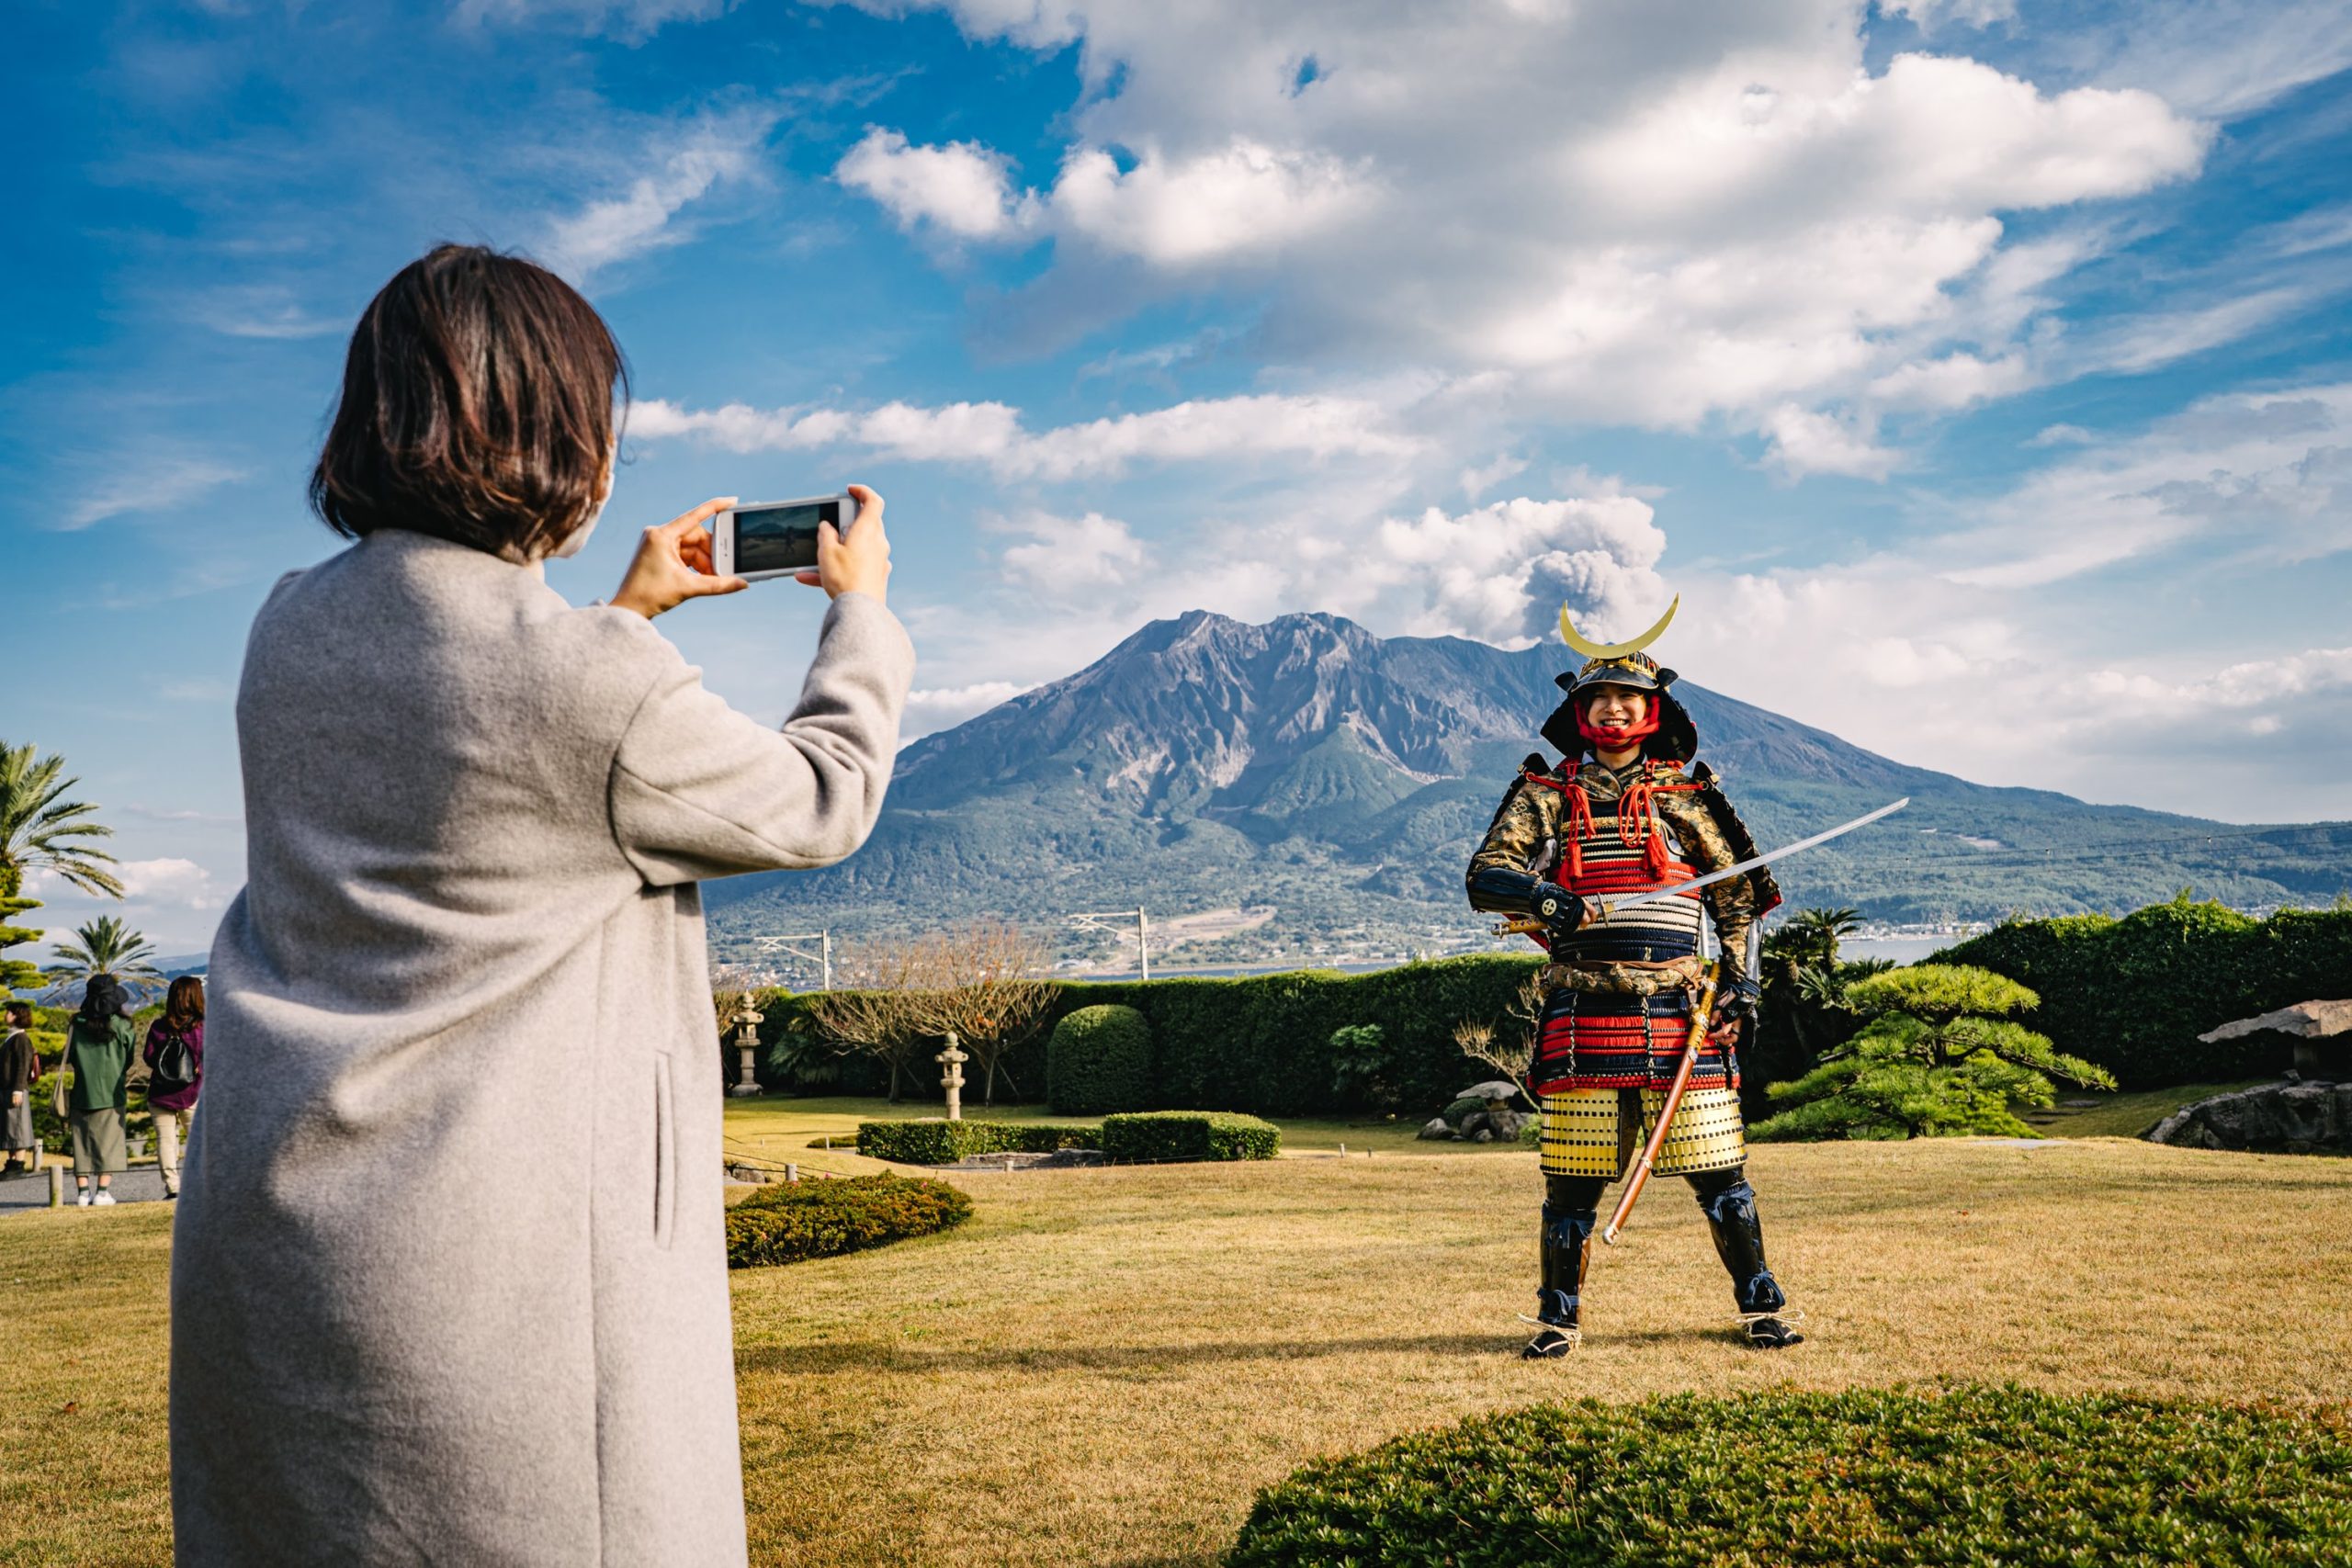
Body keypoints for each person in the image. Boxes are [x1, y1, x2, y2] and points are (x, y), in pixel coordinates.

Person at [169, 244, 912, 1567]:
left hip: (278, 1257)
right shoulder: (591, 689)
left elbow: (480, 769)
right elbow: (821, 796)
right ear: (558, 438)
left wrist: (621, 614)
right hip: (490, 1291)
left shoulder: (284, 632)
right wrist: (859, 620)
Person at [1465, 605, 1802, 1355]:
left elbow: (1738, 899)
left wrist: (1743, 986)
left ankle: (1762, 1306)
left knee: (1722, 1175)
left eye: (1629, 698)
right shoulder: (1543, 796)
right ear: (1578, 713)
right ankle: (1558, 1319)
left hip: (1684, 1011)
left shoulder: (1688, 798)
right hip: (1584, 1012)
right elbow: (1486, 877)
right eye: (1598, 699)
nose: (1613, 708)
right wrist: (1542, 895)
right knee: (1571, 1187)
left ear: (1655, 711)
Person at [63, 975, 137, 1206]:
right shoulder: (123, 1026)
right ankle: (102, 1192)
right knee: (110, 1144)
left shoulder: (76, 1024)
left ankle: (83, 1193)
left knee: (80, 1142)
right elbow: (129, 1059)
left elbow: (71, 1057)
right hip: (111, 1093)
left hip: (82, 1092)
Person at [143, 976, 203, 1199]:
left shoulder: (159, 1026)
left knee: (166, 1142)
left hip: (160, 1093)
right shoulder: (202, 1027)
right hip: (193, 1092)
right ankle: (201, 1184)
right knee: (200, 1142)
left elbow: (149, 1057)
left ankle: (173, 1187)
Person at [2, 1000, 38, 1175]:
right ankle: (11, 1162)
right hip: (7, 1088)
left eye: (9, 1012)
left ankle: (19, 1164)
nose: (5, 1015)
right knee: (10, 1126)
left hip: (16, 1088)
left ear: (16, 1016)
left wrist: (17, 1089)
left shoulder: (21, 1038)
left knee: (17, 1126)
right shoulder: (12, 1036)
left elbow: (23, 1066)